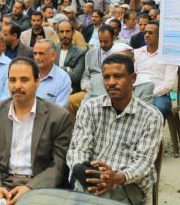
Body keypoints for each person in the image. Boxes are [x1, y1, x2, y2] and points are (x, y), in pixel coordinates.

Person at [0, 57, 73, 205]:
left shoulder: (58, 116)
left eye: (24, 80)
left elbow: (59, 165)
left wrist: (30, 188)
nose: (17, 86)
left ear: (38, 81)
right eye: (12, 80)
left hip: (38, 184)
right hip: (1, 181)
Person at [67, 54, 163, 205]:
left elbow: (143, 162)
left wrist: (115, 178)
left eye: (118, 76)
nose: (111, 82)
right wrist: (87, 172)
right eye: (106, 77)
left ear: (133, 78)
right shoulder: (89, 108)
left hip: (127, 184)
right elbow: (78, 149)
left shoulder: (151, 116)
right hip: (90, 179)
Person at [68, 25, 115, 119]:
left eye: (106, 41)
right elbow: (85, 75)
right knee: (70, 102)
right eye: (100, 41)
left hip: (109, 91)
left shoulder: (118, 53)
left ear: (113, 38)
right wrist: (85, 86)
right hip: (90, 89)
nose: (102, 44)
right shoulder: (90, 53)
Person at [134, 21, 176, 117]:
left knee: (159, 108)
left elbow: (168, 83)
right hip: (138, 91)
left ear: (159, 36)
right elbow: (132, 75)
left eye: (150, 33)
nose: (146, 35)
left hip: (158, 95)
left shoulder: (168, 55)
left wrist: (150, 93)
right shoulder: (137, 52)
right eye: (145, 32)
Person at [27, 40, 71, 108]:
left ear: (53, 56)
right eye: (35, 53)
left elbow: (59, 110)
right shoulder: (27, 73)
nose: (37, 57)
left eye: (41, 53)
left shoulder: (63, 79)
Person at [53, 20, 86, 93]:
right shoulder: (53, 49)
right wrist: (66, 68)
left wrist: (54, 71)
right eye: (61, 32)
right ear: (57, 33)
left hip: (70, 91)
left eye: (67, 31)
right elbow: (46, 70)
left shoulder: (80, 52)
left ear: (73, 32)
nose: (64, 35)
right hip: (52, 89)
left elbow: (75, 77)